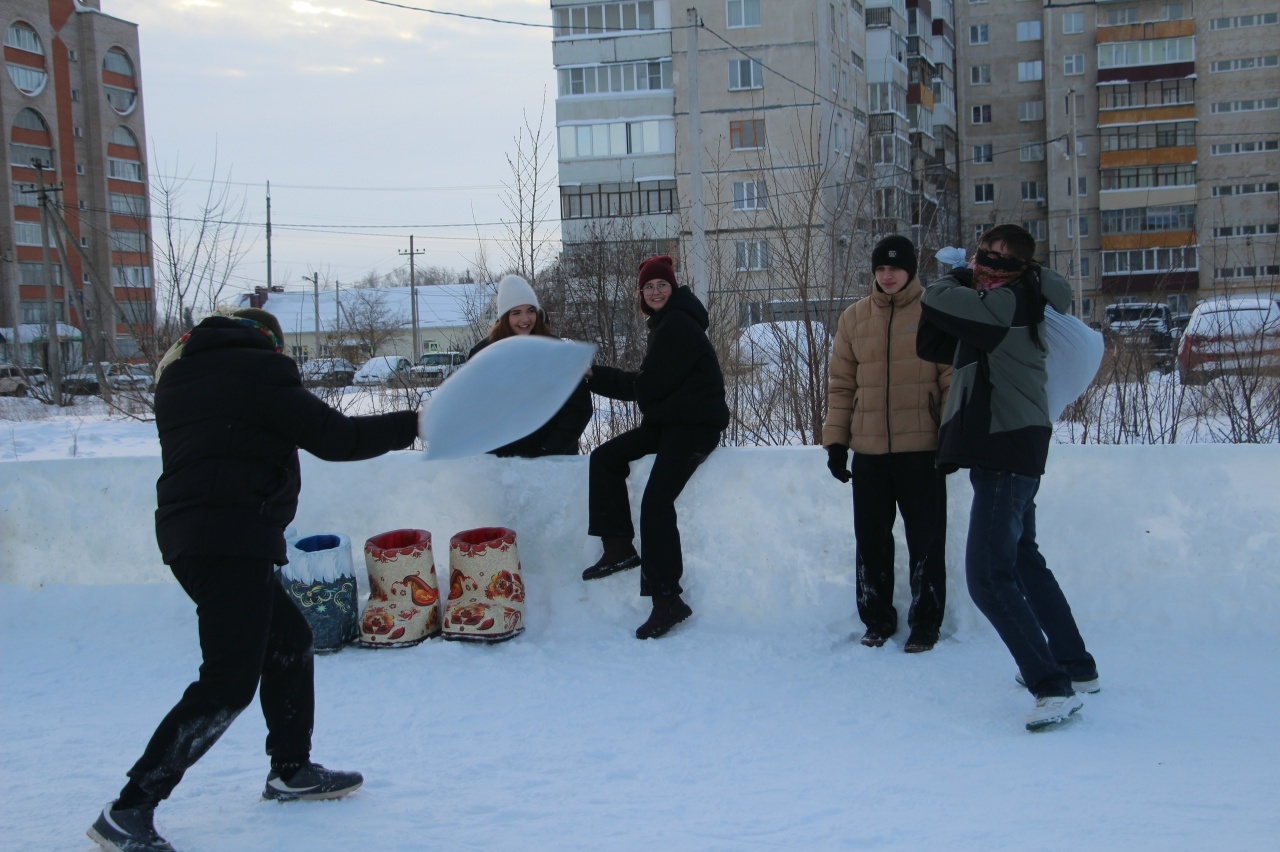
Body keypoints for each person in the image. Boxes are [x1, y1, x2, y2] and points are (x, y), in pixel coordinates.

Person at [90, 308, 420, 852]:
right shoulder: (259, 371)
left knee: (289, 641)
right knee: (227, 682)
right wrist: (413, 424)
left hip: (196, 537)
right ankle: (131, 807)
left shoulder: (182, 375)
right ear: (269, 342)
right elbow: (334, 438)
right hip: (230, 538)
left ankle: (290, 769)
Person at [916, 224, 1099, 731]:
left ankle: (1052, 687)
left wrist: (954, 277)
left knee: (987, 579)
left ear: (1021, 267)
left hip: (1005, 448)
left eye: (1001, 260)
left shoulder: (1011, 303)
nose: (989, 266)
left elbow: (936, 299)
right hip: (1008, 443)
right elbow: (933, 340)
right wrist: (963, 287)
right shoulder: (1011, 300)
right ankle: (1075, 666)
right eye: (983, 256)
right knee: (1022, 561)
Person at [580, 255, 729, 640]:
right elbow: (649, 386)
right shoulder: (664, 323)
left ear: (673, 288)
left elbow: (645, 388)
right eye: (650, 287)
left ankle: (668, 601)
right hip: (670, 421)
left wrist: (596, 377)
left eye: (663, 284)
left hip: (694, 426)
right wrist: (595, 376)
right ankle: (619, 548)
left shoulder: (678, 324)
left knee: (656, 502)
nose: (657, 291)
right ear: (641, 294)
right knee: (605, 457)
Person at [823, 235, 952, 653]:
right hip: (870, 453)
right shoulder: (855, 318)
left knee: (926, 541)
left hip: (923, 449)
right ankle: (877, 619)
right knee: (871, 540)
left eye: (894, 268)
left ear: (911, 269)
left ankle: (926, 623)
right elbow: (841, 385)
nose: (887, 275)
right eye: (880, 269)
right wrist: (837, 442)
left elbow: (951, 380)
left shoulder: (936, 312)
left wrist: (951, 436)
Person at [468, 274, 592, 457]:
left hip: (552, 460)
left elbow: (579, 407)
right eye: (516, 313)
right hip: (500, 462)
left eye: (530, 311)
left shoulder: (556, 350)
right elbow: (471, 407)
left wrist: (550, 449)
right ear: (504, 317)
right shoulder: (484, 353)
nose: (525, 319)